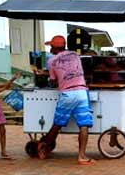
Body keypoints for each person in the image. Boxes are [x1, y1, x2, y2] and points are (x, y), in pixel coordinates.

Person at [33, 35, 95, 165]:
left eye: (51, 47)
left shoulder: (52, 61)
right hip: (82, 92)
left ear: (55, 47)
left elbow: (54, 80)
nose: (50, 49)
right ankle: (82, 156)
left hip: (67, 93)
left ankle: (44, 147)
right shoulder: (75, 55)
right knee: (84, 125)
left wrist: (43, 74)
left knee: (57, 124)